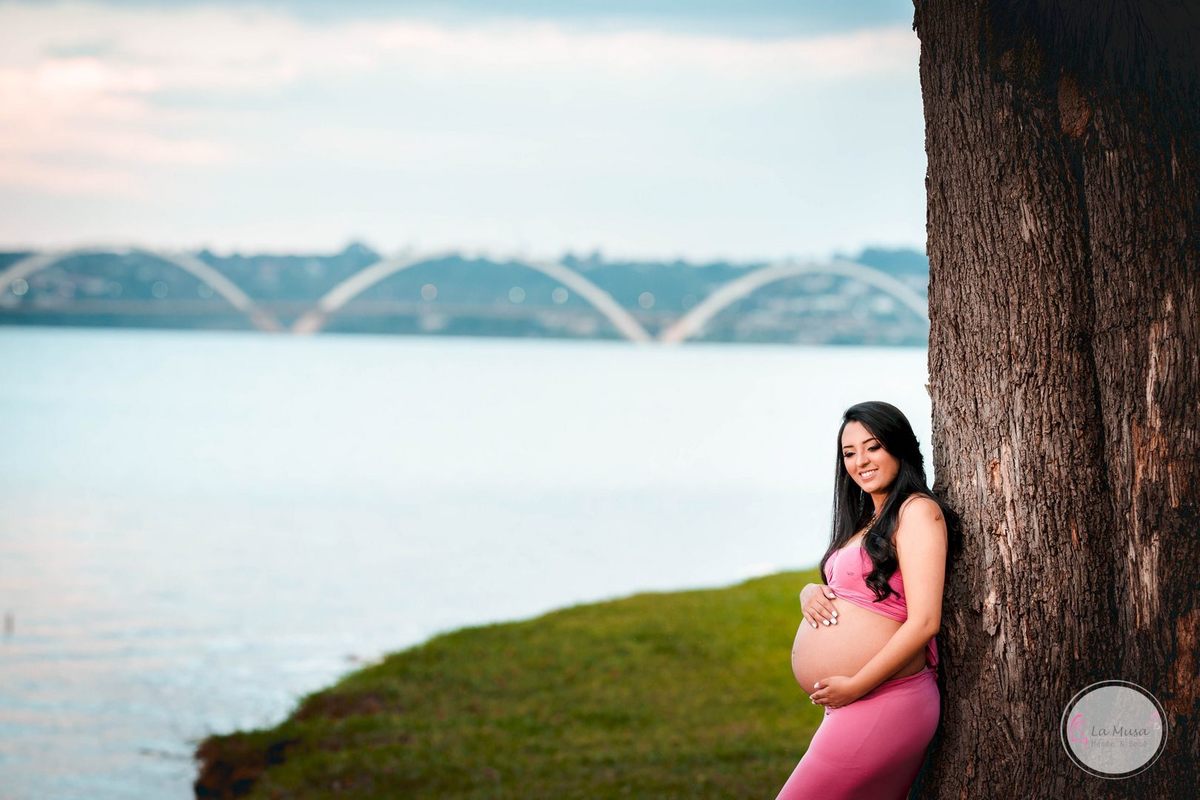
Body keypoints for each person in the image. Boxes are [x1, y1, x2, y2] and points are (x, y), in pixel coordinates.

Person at [776, 400, 960, 799]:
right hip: (856, 702)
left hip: (884, 699)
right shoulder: (865, 522)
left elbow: (925, 621)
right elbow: (851, 586)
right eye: (849, 453)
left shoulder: (917, 511)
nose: (860, 461)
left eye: (873, 447)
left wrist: (856, 685)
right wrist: (810, 591)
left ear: (898, 447)